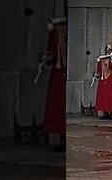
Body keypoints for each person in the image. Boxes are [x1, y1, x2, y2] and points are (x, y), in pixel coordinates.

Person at [43, 23, 66, 152]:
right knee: (55, 106)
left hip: (64, 72)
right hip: (57, 73)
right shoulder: (56, 33)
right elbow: (51, 53)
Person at [95, 42, 112, 120]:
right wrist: (97, 74)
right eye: (107, 50)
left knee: (111, 98)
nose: (108, 51)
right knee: (103, 98)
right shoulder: (103, 59)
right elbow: (99, 69)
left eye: (109, 50)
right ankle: (105, 112)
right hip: (103, 80)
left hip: (111, 80)